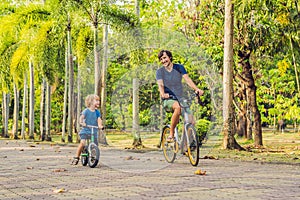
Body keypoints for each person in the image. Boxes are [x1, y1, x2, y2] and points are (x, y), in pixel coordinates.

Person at [156, 50, 204, 142]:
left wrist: (196, 89)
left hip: (180, 98)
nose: (163, 60)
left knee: (192, 122)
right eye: (161, 59)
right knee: (177, 108)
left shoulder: (179, 67)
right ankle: (171, 134)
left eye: (165, 58)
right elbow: (160, 84)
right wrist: (162, 94)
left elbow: (187, 79)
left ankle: (185, 145)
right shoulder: (160, 72)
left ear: (170, 57)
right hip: (168, 99)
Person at [72, 94, 104, 165]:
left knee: (95, 146)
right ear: (91, 102)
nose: (98, 102)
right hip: (85, 131)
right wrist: (81, 122)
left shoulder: (97, 112)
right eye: (96, 100)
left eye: (99, 100)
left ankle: (93, 155)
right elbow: (82, 117)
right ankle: (77, 157)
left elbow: (99, 119)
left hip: (93, 131)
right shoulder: (86, 111)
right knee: (82, 143)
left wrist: (100, 125)